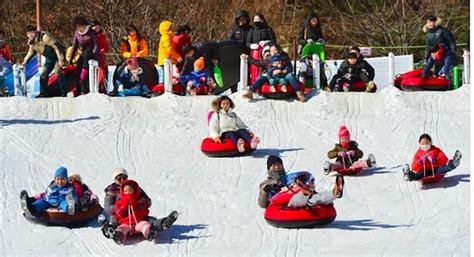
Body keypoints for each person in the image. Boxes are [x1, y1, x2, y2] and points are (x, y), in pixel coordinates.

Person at [100, 168, 178, 238]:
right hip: (120, 216)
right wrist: (118, 208)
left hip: (136, 213)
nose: (122, 180)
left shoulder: (134, 187)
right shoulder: (111, 191)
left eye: (124, 177)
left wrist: (139, 204)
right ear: (114, 180)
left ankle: (163, 223)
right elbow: (107, 207)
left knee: (147, 221)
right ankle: (112, 231)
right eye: (119, 178)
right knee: (116, 223)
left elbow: (148, 201)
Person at [258, 155, 344, 209]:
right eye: (273, 166)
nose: (277, 167)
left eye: (279, 165)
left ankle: (334, 193)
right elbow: (262, 204)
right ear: (269, 169)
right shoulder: (266, 182)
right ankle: (304, 193)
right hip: (281, 203)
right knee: (295, 199)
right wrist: (266, 190)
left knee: (315, 198)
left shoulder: (288, 178)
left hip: (297, 196)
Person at [22, 25, 67, 97]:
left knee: (58, 72)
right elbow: (31, 52)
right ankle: (44, 93)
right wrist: (24, 61)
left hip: (58, 55)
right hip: (50, 57)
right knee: (43, 76)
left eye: (31, 32)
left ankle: (64, 92)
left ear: (35, 31)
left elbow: (56, 47)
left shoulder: (44, 37)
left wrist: (61, 59)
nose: (30, 35)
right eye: (28, 33)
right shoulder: (32, 42)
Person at [110, 180, 156, 244]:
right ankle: (119, 236)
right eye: (126, 191)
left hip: (138, 222)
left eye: (130, 190)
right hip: (126, 223)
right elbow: (118, 213)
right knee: (121, 228)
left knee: (145, 225)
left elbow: (145, 211)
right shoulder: (119, 203)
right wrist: (123, 206)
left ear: (134, 191)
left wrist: (136, 205)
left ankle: (149, 233)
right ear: (122, 192)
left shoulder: (139, 200)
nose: (128, 193)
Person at [69, 16, 99, 95]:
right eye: (77, 27)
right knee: (78, 68)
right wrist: (71, 58)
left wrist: (93, 54)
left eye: (80, 27)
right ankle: (79, 89)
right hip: (83, 54)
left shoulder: (91, 32)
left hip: (91, 53)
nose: (79, 29)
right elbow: (74, 46)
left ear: (84, 25)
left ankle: (85, 88)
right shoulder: (77, 33)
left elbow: (96, 45)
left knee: (85, 71)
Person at [91, 20, 109, 93]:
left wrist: (103, 49)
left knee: (101, 72)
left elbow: (106, 46)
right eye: (95, 28)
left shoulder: (101, 35)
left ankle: (102, 88)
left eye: (98, 28)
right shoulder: (90, 35)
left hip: (100, 57)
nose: (97, 29)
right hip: (91, 56)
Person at [0, 30, 12, 96]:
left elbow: (7, 55)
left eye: (1, 36)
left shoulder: (4, 45)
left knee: (3, 74)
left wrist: (9, 60)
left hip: (3, 62)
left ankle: (3, 89)